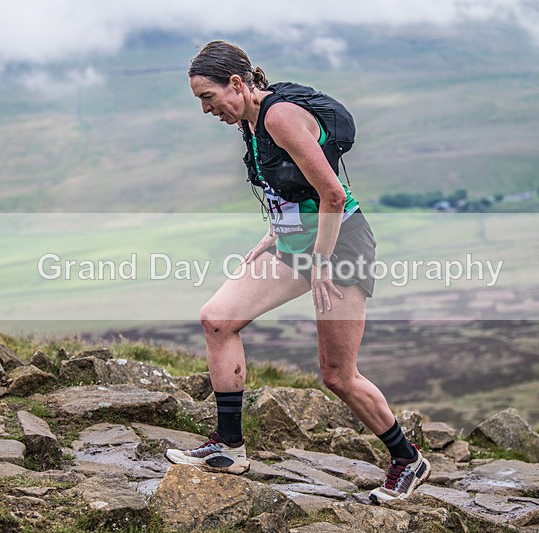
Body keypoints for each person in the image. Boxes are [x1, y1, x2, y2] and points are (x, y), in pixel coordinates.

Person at [164, 40, 430, 503]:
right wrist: (273, 233)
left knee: (337, 375)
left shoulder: (280, 116)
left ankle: (409, 460)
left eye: (207, 98)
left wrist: (322, 262)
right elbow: (287, 184)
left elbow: (332, 195)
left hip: (340, 245)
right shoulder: (248, 120)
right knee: (217, 319)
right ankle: (229, 447)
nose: (205, 110)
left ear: (236, 83)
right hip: (295, 245)